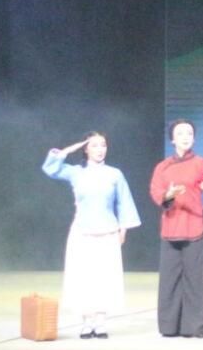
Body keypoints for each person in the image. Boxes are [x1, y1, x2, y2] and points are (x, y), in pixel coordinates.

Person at [42, 132, 141, 339]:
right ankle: (86, 322)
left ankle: (101, 323)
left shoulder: (115, 174)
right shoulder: (76, 172)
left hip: (108, 231)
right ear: (86, 149)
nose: (100, 149)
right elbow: (50, 169)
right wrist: (68, 150)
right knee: (83, 277)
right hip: (82, 231)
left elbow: (124, 202)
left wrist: (123, 229)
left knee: (105, 277)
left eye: (103, 145)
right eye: (94, 145)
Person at [149, 119, 203, 338]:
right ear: (172, 139)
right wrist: (168, 195)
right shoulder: (163, 167)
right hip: (171, 226)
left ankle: (195, 327)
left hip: (194, 227)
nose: (185, 137)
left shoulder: (201, 163)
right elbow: (156, 191)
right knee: (169, 280)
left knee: (196, 280)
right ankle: (169, 327)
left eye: (189, 133)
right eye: (180, 133)